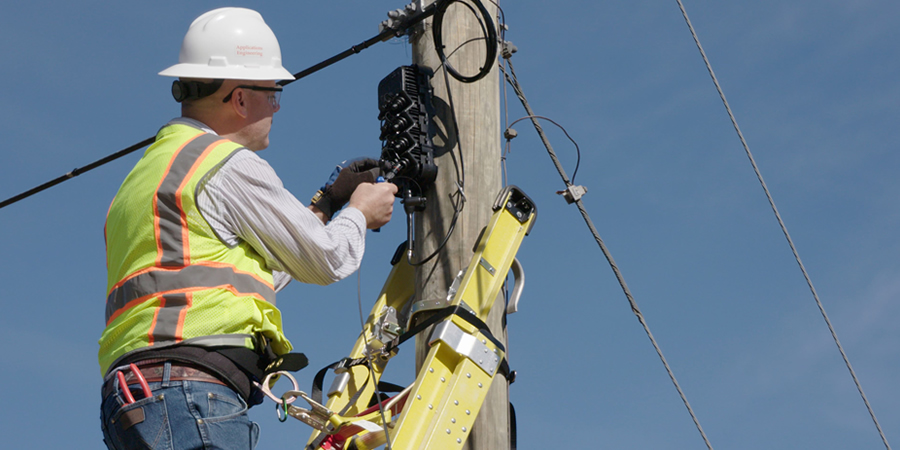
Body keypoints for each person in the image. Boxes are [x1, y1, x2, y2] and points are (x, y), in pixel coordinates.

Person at [98, 8, 397, 450]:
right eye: (273, 93)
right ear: (239, 98)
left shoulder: (147, 176)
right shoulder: (226, 163)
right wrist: (359, 211)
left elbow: (250, 271)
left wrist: (328, 204)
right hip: (190, 390)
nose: (276, 107)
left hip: (135, 396)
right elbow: (329, 258)